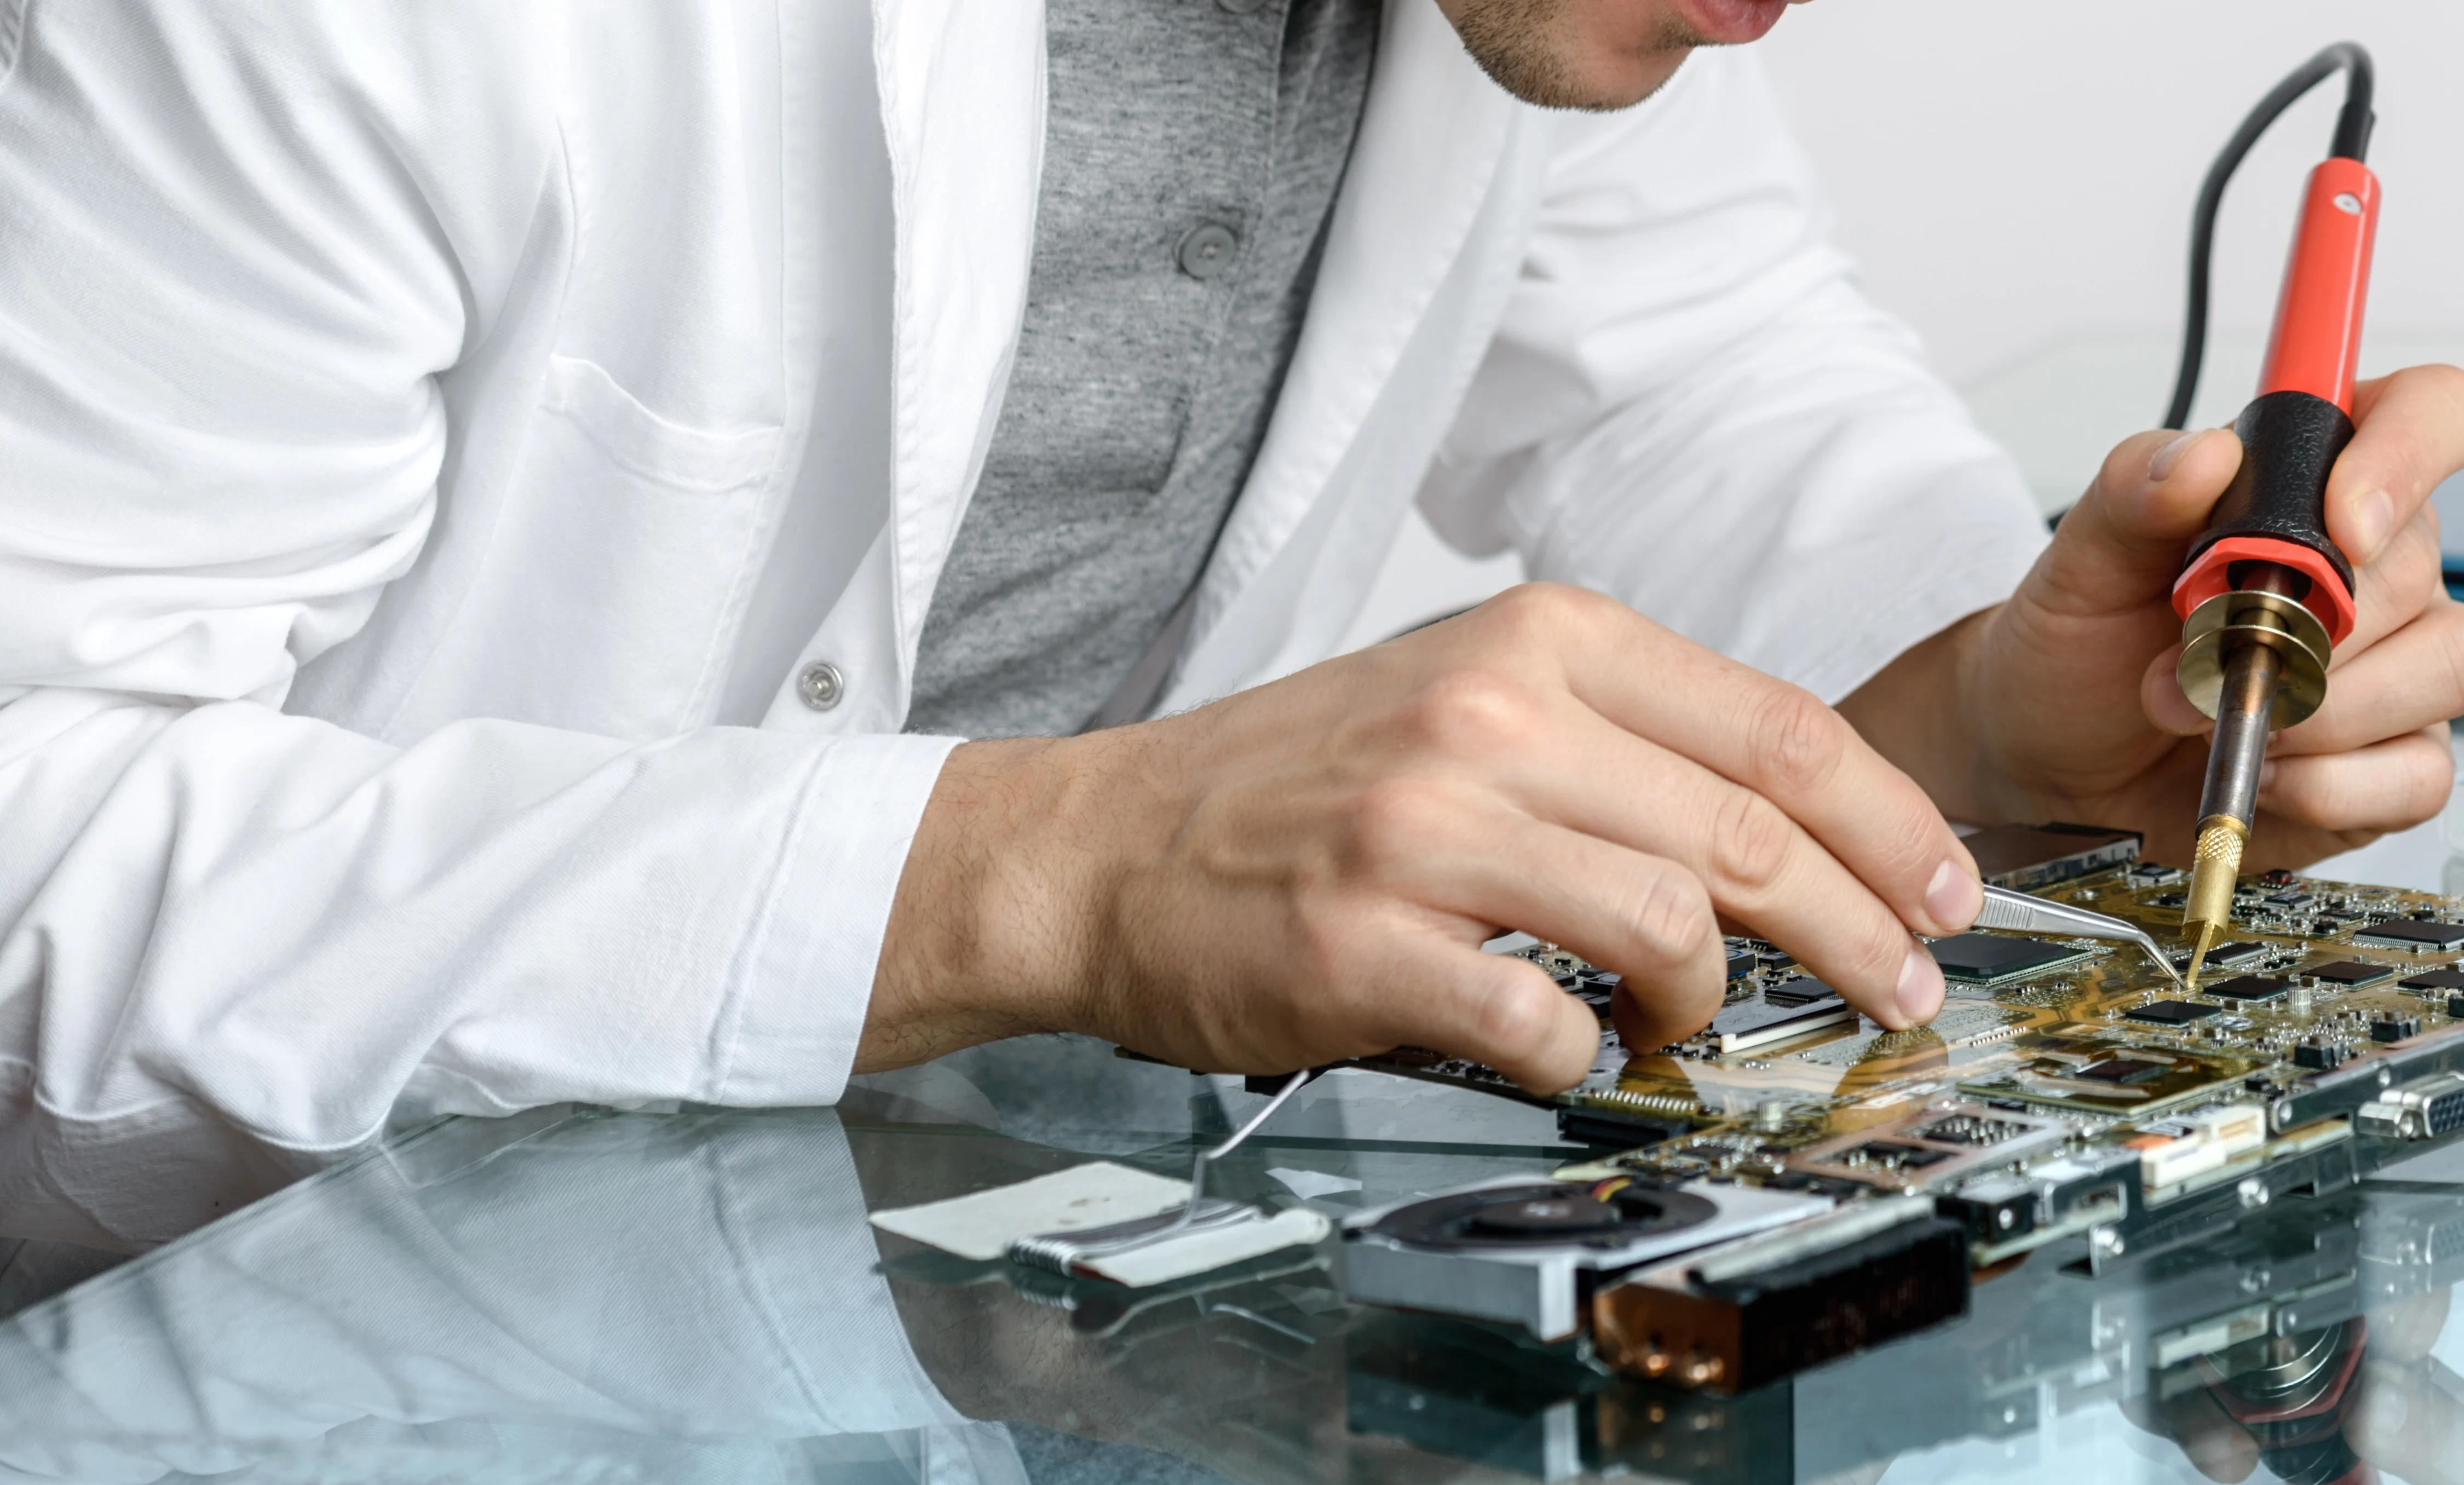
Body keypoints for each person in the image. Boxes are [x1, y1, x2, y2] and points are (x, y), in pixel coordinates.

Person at [1, 0, 2458, 1247]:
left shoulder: (1549, 32)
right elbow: (36, 830)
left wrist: (2021, 697)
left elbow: (1722, 386)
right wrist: (1040, 872)